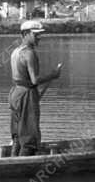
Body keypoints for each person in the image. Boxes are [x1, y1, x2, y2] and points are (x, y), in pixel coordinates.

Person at [9, 19, 63, 156]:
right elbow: (35, 79)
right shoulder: (29, 53)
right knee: (29, 137)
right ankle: (22, 167)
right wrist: (53, 75)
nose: (39, 37)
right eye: (36, 34)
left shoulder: (15, 51)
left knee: (17, 135)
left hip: (16, 93)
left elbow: (26, 79)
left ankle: (12, 162)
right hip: (26, 94)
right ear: (26, 34)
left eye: (40, 34)